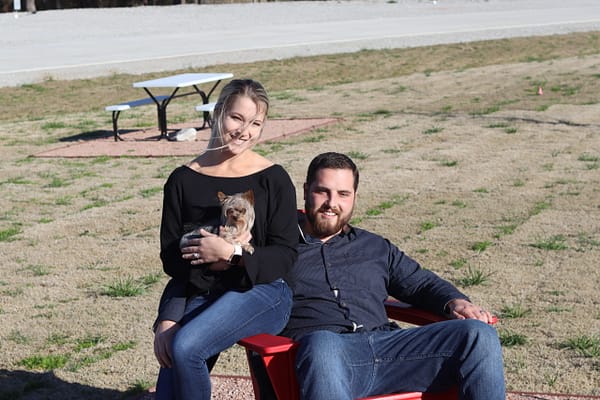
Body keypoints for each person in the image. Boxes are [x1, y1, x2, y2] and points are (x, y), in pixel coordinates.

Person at [278, 152, 505, 400]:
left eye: (343, 194)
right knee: (323, 344)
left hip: (390, 348)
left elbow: (420, 284)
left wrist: (455, 302)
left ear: (354, 197)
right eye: (323, 191)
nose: (332, 203)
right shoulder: (277, 247)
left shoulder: (374, 247)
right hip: (325, 358)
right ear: (306, 190)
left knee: (478, 335)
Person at [152, 79, 298, 400]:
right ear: (218, 113)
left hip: (264, 290)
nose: (245, 131)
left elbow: (286, 255)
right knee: (169, 388)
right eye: (237, 118)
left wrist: (233, 253)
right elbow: (171, 258)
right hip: (203, 293)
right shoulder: (182, 180)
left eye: (256, 123)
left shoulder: (272, 178)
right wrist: (168, 315)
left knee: (187, 347)